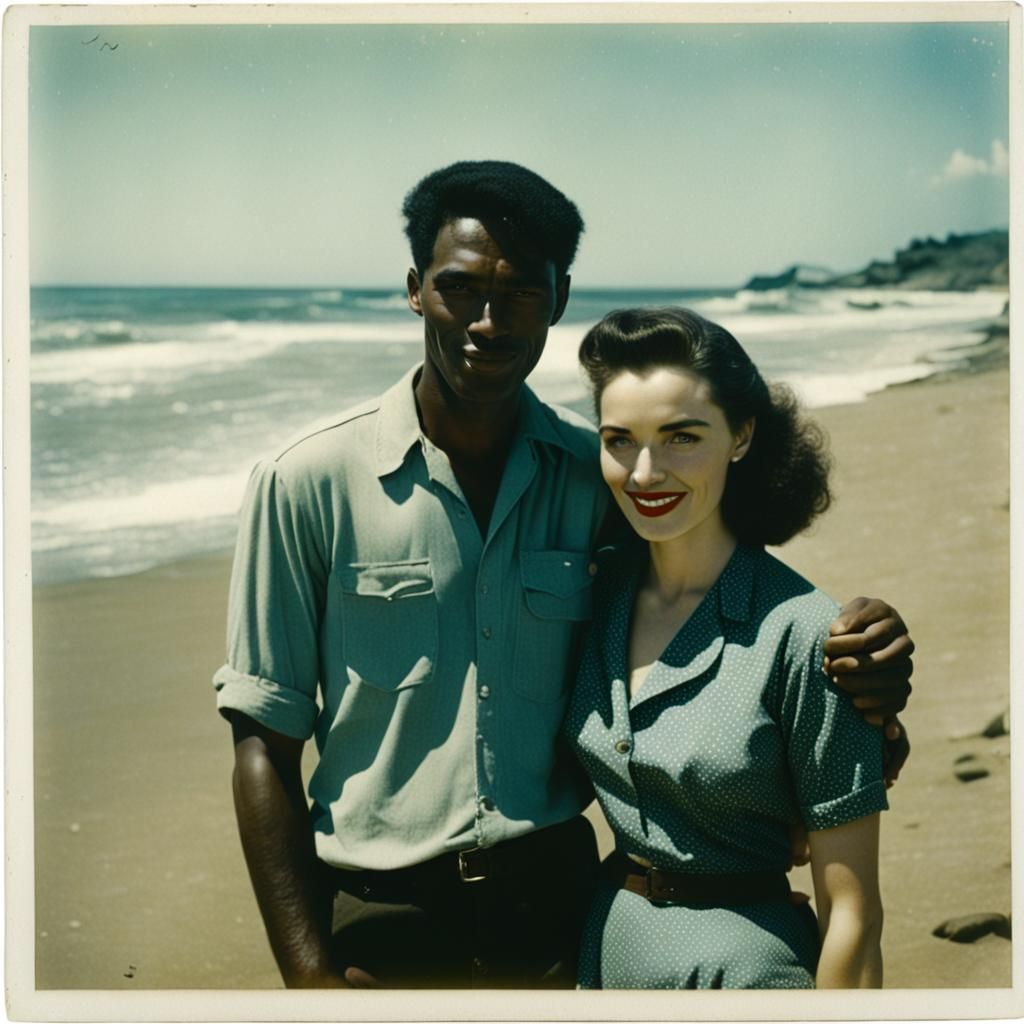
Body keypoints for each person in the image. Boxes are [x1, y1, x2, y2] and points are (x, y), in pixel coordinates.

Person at [213, 161, 913, 990]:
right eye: (459, 288)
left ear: (559, 298)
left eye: (518, 294)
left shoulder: (601, 476)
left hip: (560, 918)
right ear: (414, 289)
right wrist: (310, 980)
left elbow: (713, 637)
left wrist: (865, 672)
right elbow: (262, 743)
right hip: (380, 920)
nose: (485, 320)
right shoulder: (305, 482)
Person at [567, 307, 888, 989]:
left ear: (742, 435)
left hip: (745, 977)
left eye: (682, 437)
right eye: (619, 439)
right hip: (607, 956)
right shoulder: (593, 599)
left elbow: (854, 913)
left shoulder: (806, 632)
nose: (645, 471)